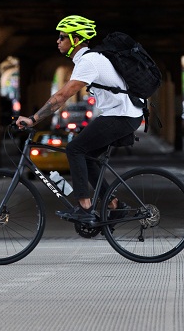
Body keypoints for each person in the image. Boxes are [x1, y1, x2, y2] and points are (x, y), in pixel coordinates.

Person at [16, 15, 144, 224]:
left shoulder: (88, 61)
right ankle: (113, 204)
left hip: (122, 115)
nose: (58, 41)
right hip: (122, 114)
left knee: (74, 148)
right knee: (88, 157)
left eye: (62, 37)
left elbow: (62, 96)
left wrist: (33, 119)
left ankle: (84, 207)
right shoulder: (88, 60)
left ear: (76, 39)